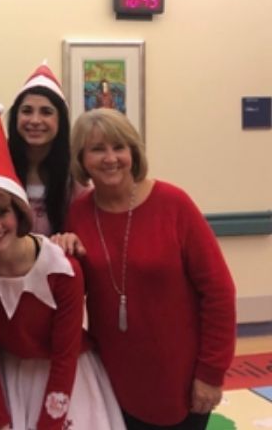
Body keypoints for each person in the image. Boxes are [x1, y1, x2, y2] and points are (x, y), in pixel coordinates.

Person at [57, 108, 236, 429]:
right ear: (81, 159)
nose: (110, 158)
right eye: (97, 149)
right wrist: (61, 252)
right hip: (113, 378)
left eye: (119, 147)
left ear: (133, 153)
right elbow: (71, 294)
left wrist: (211, 373)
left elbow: (219, 293)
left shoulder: (174, 204)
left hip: (181, 377)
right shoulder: (79, 215)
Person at [0, 106, 125, 430]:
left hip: (66, 382)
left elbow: (65, 358)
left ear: (20, 213)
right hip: (8, 378)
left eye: (2, 213)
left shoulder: (61, 271)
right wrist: (1, 422)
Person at [7, 62, 81, 237]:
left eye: (46, 112)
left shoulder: (77, 172)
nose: (35, 120)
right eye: (26, 111)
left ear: (60, 120)